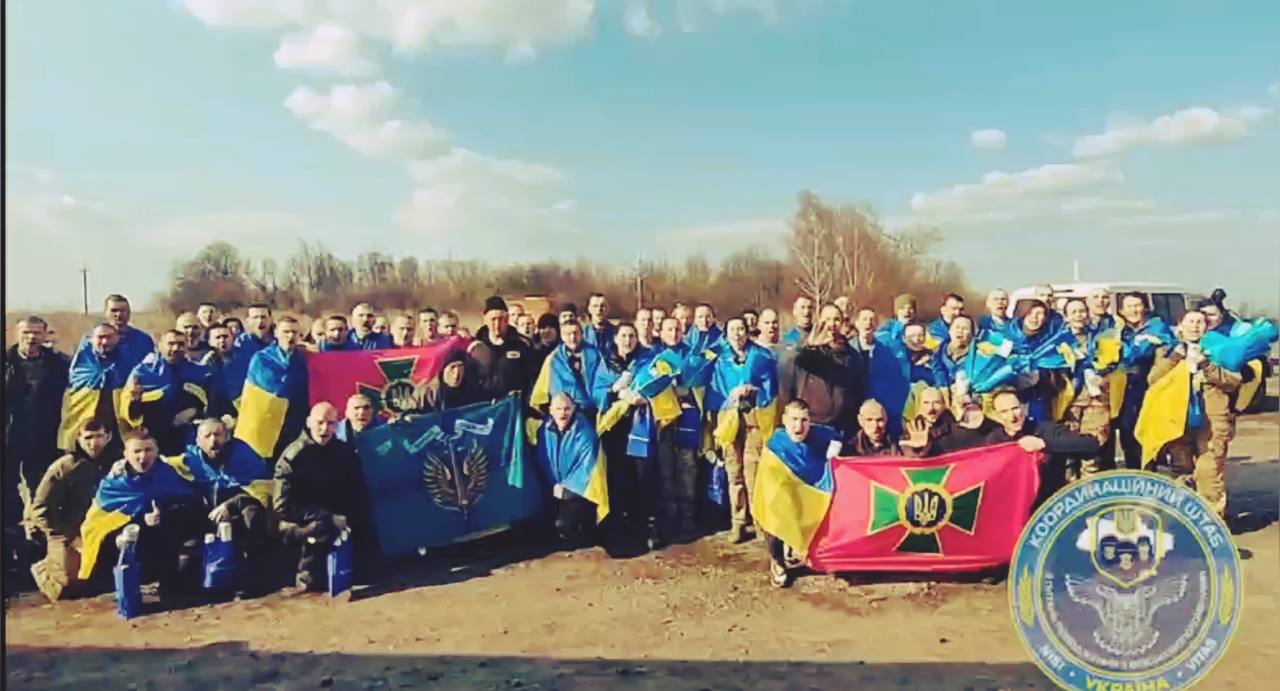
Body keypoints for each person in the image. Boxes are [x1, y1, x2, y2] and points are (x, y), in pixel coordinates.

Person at [78, 431, 204, 605]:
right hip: (124, 543)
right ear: (126, 454)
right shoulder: (114, 483)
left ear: (157, 452)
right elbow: (98, 524)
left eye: (148, 450)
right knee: (121, 539)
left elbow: (190, 500)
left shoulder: (168, 473)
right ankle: (123, 587)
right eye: (136, 451)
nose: (143, 456)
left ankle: (172, 585)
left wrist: (165, 513)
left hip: (162, 540)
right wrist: (141, 520)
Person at [1145, 310, 1242, 517]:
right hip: (1178, 418)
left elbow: (1233, 381)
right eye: (1190, 321)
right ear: (1180, 325)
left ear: (1207, 327)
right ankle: (1184, 518)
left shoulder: (1219, 348)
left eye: (1200, 322)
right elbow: (1154, 379)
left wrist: (1207, 365)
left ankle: (1211, 519)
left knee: (1209, 470)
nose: (1195, 326)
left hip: (1212, 419)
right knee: (1181, 469)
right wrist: (1176, 358)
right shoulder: (1168, 350)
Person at [274, 403, 376, 593]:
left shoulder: (344, 451)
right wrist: (327, 516)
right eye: (320, 423)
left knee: (365, 516)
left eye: (331, 423)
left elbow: (358, 489)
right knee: (320, 527)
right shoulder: (293, 457)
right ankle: (306, 576)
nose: (324, 429)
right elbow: (283, 506)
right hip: (300, 521)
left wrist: (350, 514)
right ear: (309, 423)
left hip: (338, 514)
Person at [176, 418, 273, 595]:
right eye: (207, 436)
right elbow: (159, 466)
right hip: (207, 514)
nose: (213, 440)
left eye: (218, 434)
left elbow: (262, 489)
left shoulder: (243, 454)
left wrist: (232, 505)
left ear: (227, 436)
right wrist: (125, 466)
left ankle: (253, 580)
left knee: (252, 514)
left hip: (239, 510)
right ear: (198, 440)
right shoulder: (190, 459)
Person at [752, 400, 840, 588]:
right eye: (793, 419)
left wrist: (835, 447)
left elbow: (837, 436)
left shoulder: (819, 434)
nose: (798, 426)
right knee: (773, 517)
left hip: (812, 490)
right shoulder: (776, 443)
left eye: (804, 420)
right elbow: (768, 479)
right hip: (784, 492)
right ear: (784, 420)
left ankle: (801, 548)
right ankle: (777, 561)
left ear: (810, 421)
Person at [705, 317, 778, 544]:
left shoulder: (762, 356)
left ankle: (759, 521)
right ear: (726, 334)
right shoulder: (720, 359)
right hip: (728, 417)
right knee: (733, 472)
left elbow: (771, 388)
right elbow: (714, 389)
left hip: (754, 418)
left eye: (740, 329)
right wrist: (730, 399)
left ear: (747, 332)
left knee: (753, 472)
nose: (737, 334)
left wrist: (754, 390)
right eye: (732, 329)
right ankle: (738, 522)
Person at [27, 420, 113, 601]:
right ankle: (45, 568)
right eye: (88, 438)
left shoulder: (115, 463)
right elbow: (40, 508)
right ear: (78, 438)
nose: (94, 443)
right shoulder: (64, 467)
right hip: (67, 533)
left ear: (108, 437)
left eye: (99, 436)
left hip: (101, 528)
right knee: (66, 587)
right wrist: (70, 536)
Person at [593, 323, 660, 548]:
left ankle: (643, 523)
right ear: (615, 339)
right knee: (617, 474)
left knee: (642, 474)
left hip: (639, 424)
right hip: (614, 428)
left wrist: (644, 398)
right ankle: (617, 525)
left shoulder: (646, 360)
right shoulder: (606, 362)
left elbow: (658, 385)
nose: (628, 340)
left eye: (632, 335)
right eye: (623, 335)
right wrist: (614, 391)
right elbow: (596, 391)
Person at [5, 316, 69, 543]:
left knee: (42, 488)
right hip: (10, 436)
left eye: (36, 333)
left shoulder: (58, 364)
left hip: (44, 436)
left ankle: (40, 537)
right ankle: (12, 537)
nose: (31, 338)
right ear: (16, 334)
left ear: (44, 335)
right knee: (7, 489)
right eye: (26, 333)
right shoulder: (7, 362)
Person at [984, 389, 1102, 507]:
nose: (1012, 416)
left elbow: (1091, 444)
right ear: (996, 415)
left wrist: (1044, 444)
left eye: (1015, 408)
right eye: (1004, 412)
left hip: (1051, 506)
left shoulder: (1046, 429)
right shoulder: (994, 440)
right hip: (1015, 507)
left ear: (1023, 407)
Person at [535, 394, 609, 547]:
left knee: (565, 525)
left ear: (574, 409)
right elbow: (542, 460)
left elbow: (588, 470)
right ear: (551, 410)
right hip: (554, 487)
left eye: (567, 409)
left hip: (577, 492)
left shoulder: (585, 433)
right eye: (558, 409)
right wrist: (552, 485)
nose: (563, 413)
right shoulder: (543, 430)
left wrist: (567, 490)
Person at [781, 304, 863, 437]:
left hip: (842, 427)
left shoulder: (852, 355)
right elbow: (789, 361)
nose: (832, 324)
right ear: (819, 322)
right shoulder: (809, 351)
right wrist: (808, 346)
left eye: (836, 319)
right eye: (827, 319)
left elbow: (858, 390)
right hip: (812, 424)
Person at [125, 331, 211, 455]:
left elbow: (212, 404)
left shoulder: (200, 372)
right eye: (171, 344)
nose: (176, 348)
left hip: (189, 439)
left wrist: (194, 411)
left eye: (181, 344)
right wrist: (134, 401)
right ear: (160, 346)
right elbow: (129, 413)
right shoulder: (142, 373)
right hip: (153, 440)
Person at [1115, 292, 1175, 468]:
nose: (1134, 310)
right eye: (1129, 306)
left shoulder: (1157, 328)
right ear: (1121, 311)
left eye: (1137, 305)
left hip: (1148, 385)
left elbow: (1139, 354)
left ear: (1145, 308)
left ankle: (1149, 471)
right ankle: (1133, 471)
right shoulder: (1119, 331)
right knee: (1126, 431)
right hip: (1123, 387)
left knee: (1147, 432)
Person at [239, 317, 310, 459]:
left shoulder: (303, 359)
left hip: (295, 423)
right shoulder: (262, 359)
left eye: (294, 332)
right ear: (276, 333)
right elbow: (277, 389)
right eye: (286, 332)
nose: (290, 336)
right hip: (268, 424)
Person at [654, 317, 698, 540]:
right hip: (665, 421)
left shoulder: (692, 356)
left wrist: (682, 390)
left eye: (677, 329)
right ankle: (669, 515)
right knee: (666, 468)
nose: (673, 333)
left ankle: (688, 514)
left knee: (687, 466)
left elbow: (696, 385)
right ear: (661, 332)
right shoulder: (655, 358)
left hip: (688, 418)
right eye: (669, 329)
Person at [1059, 299, 1113, 480]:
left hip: (1095, 398)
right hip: (1068, 401)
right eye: (1073, 312)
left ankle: (1088, 488)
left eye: (1082, 311)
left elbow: (1112, 361)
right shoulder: (1058, 339)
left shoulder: (1099, 337)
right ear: (1066, 317)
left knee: (1092, 446)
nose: (1078, 316)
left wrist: (1103, 373)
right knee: (1068, 450)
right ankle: (1069, 488)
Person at [59, 323, 130, 460]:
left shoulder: (128, 362)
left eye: (109, 337)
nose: (105, 342)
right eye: (100, 337)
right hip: (83, 429)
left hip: (116, 429)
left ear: (117, 338)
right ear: (91, 339)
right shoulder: (80, 364)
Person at [530, 319, 601, 417]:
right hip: (564, 410)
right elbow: (544, 386)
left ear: (581, 334)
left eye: (575, 333)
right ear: (562, 336)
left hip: (590, 409)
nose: (572, 337)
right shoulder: (554, 358)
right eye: (568, 334)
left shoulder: (595, 354)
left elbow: (601, 379)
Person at [469, 296, 535, 399]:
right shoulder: (475, 347)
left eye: (500, 319)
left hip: (513, 403)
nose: (497, 324)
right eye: (493, 319)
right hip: (485, 403)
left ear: (507, 319)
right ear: (485, 319)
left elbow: (531, 378)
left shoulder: (521, 345)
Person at [897, 387, 989, 458]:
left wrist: (981, 423)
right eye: (926, 403)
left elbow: (983, 444)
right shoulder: (910, 431)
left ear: (944, 406)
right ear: (919, 407)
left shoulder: (955, 431)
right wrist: (917, 449)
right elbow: (903, 457)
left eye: (936, 403)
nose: (931, 408)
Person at [96, 294, 155, 375]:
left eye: (123, 311)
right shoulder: (92, 341)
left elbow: (152, 370)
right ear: (105, 313)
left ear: (129, 313)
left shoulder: (143, 340)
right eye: (114, 310)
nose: (118, 314)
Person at [411, 349, 484, 413]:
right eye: (452, 367)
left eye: (460, 366)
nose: (456, 374)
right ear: (444, 369)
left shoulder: (471, 391)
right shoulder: (426, 393)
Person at [200, 322, 240, 421]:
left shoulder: (245, 360)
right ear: (209, 341)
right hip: (213, 415)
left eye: (225, 336)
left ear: (233, 338)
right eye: (217, 337)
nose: (222, 340)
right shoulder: (203, 365)